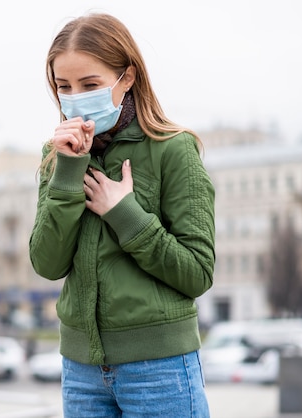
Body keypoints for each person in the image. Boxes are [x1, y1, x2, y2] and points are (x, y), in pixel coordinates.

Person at [29, 12, 215, 418]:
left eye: (90, 84)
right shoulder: (55, 157)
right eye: (64, 87)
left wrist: (126, 215)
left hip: (160, 370)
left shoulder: (174, 149)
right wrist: (67, 173)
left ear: (127, 77)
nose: (75, 97)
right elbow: (47, 263)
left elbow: (198, 272)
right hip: (81, 374)